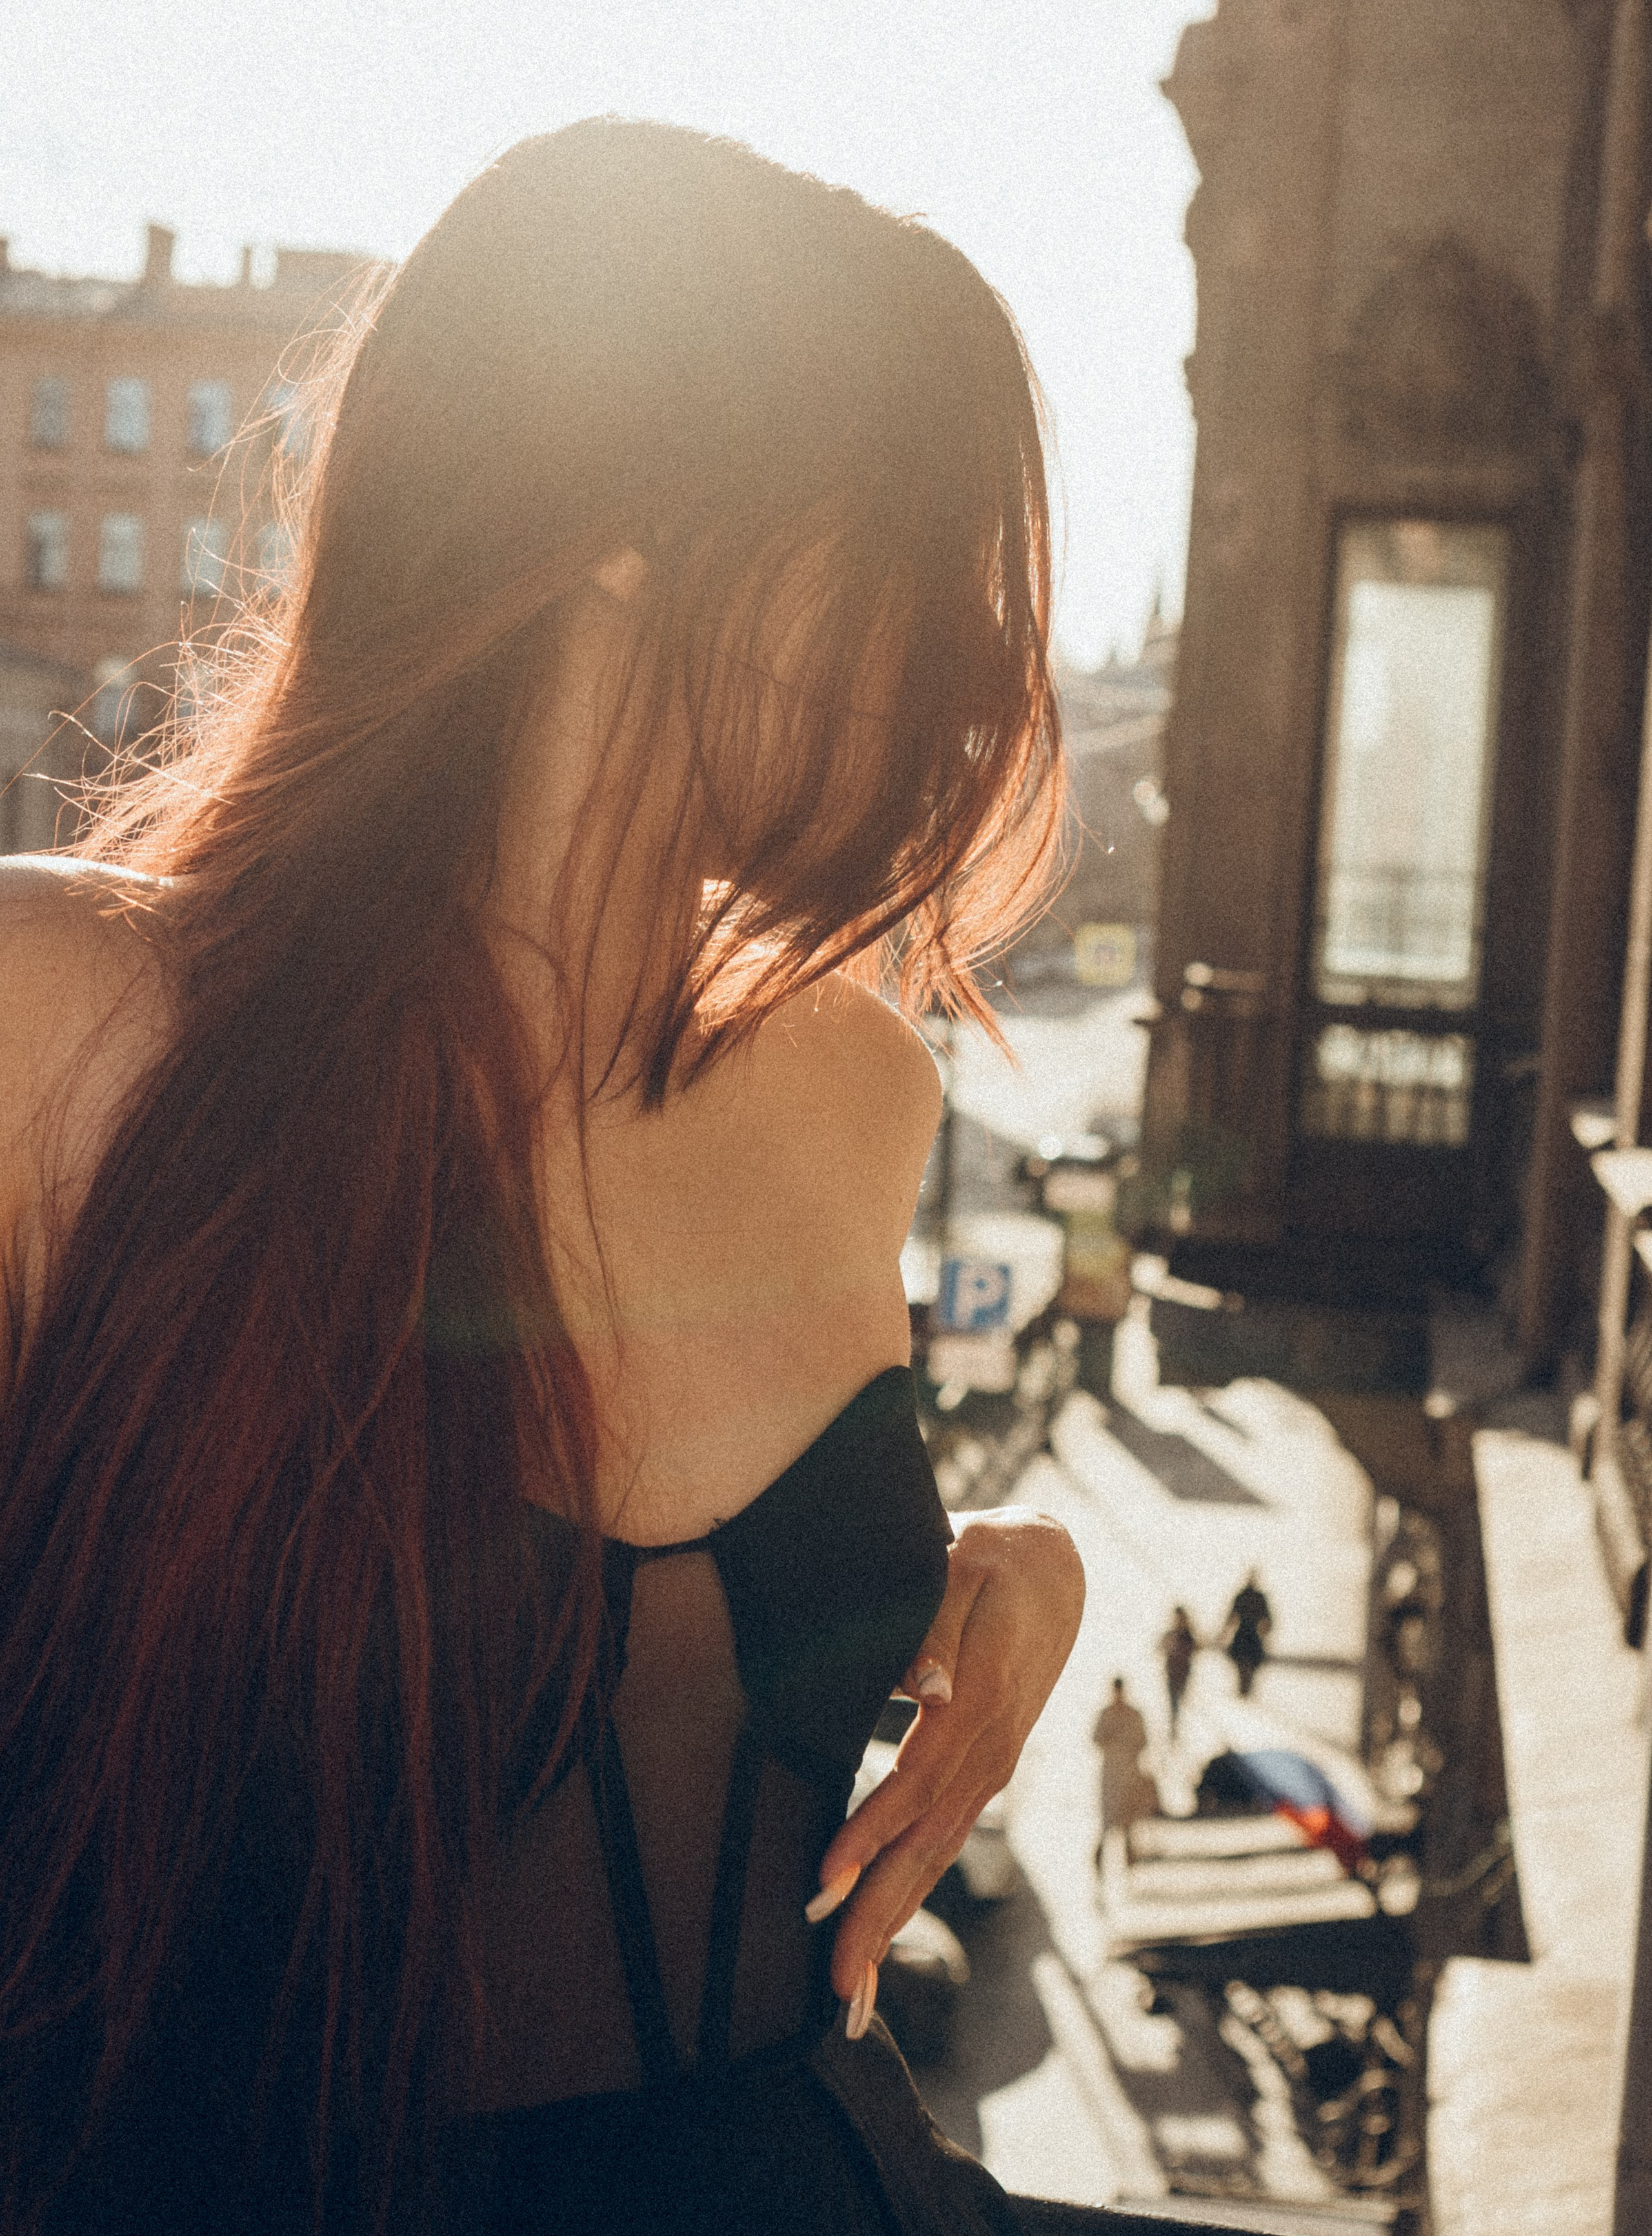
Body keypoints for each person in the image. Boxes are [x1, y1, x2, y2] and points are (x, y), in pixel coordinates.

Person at [0, 123, 1089, 2236]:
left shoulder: (857, 1091)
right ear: (633, 519)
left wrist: (1000, 1563)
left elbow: (697, 1629)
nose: (969, 664)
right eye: (913, 550)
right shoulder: (61, 1021)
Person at [1091, 1678, 1156, 1862]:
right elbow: (1096, 1740)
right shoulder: (1106, 1714)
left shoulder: (1134, 1715)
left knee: (1128, 1819)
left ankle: (1129, 1859)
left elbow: (1143, 1741)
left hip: (1128, 1773)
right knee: (1107, 1821)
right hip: (1111, 1774)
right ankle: (1100, 1860)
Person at [1223, 1570, 1274, 1699]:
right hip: (1246, 1636)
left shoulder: (1257, 1598)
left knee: (1248, 1661)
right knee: (1244, 1661)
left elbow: (1268, 1620)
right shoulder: (1245, 1596)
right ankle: (1244, 1689)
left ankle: (1245, 1689)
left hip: (1249, 1636)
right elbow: (1231, 1617)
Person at [1158, 1605, 1198, 1736]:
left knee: (1180, 1699)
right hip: (1172, 1672)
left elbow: (1198, 1647)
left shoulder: (1188, 1635)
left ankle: (1178, 1727)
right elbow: (1161, 1647)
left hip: (1183, 1672)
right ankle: (1174, 1728)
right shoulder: (1172, 1634)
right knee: (1174, 1702)